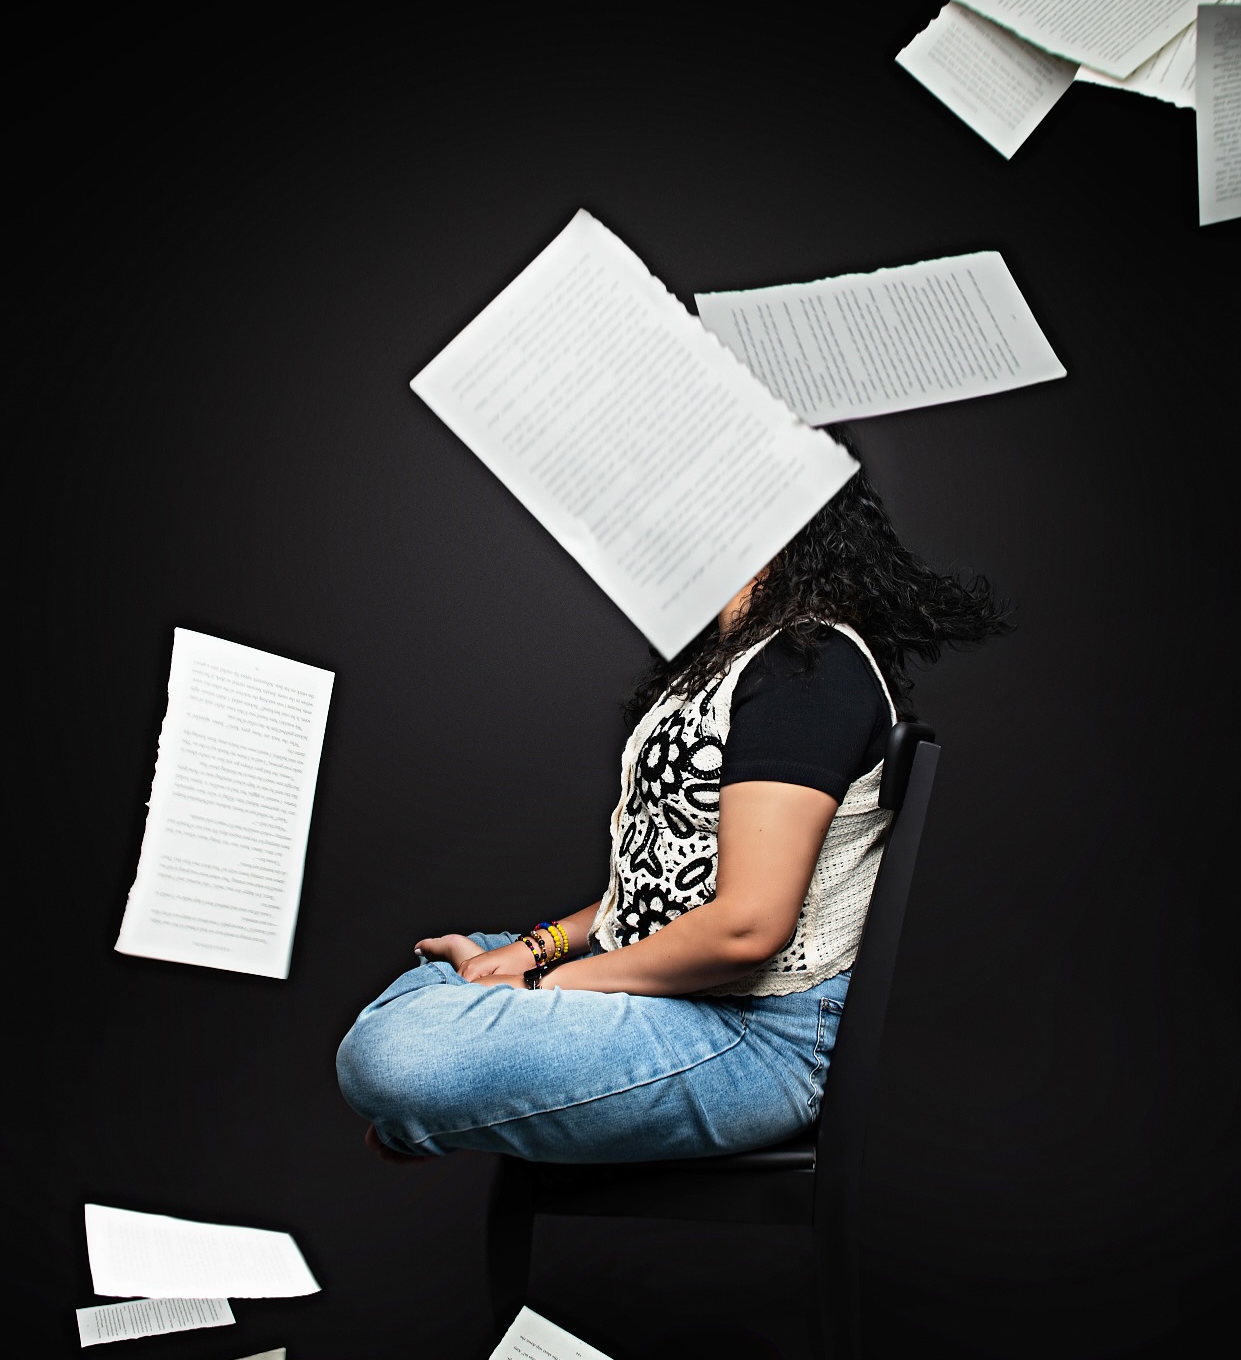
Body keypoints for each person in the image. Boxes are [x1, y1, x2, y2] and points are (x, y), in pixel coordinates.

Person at [337, 428, 1010, 1163]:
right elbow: (656, 891)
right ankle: (442, 1078)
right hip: (659, 985)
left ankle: (433, 1089)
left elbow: (746, 928)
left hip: (754, 1034)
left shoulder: (807, 667)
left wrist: (541, 987)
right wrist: (536, 947)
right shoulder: (726, 664)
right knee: (442, 974)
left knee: (396, 1052)